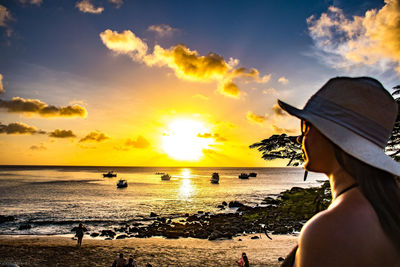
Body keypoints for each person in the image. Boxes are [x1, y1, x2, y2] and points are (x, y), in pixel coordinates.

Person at [277, 77, 400, 266]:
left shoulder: (329, 230)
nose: (300, 139)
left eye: (306, 126)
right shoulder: (384, 209)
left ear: (330, 135)